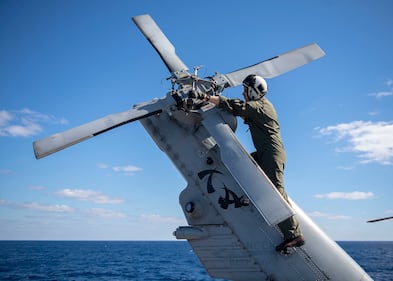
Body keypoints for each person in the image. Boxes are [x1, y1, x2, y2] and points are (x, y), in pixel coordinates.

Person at [205, 74, 305, 252]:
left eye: (245, 91)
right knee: (241, 165)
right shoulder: (259, 106)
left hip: (272, 155)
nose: (243, 94)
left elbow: (238, 107)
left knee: (277, 191)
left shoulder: (261, 106)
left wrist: (208, 98)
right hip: (265, 153)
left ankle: (294, 234)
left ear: (252, 91)